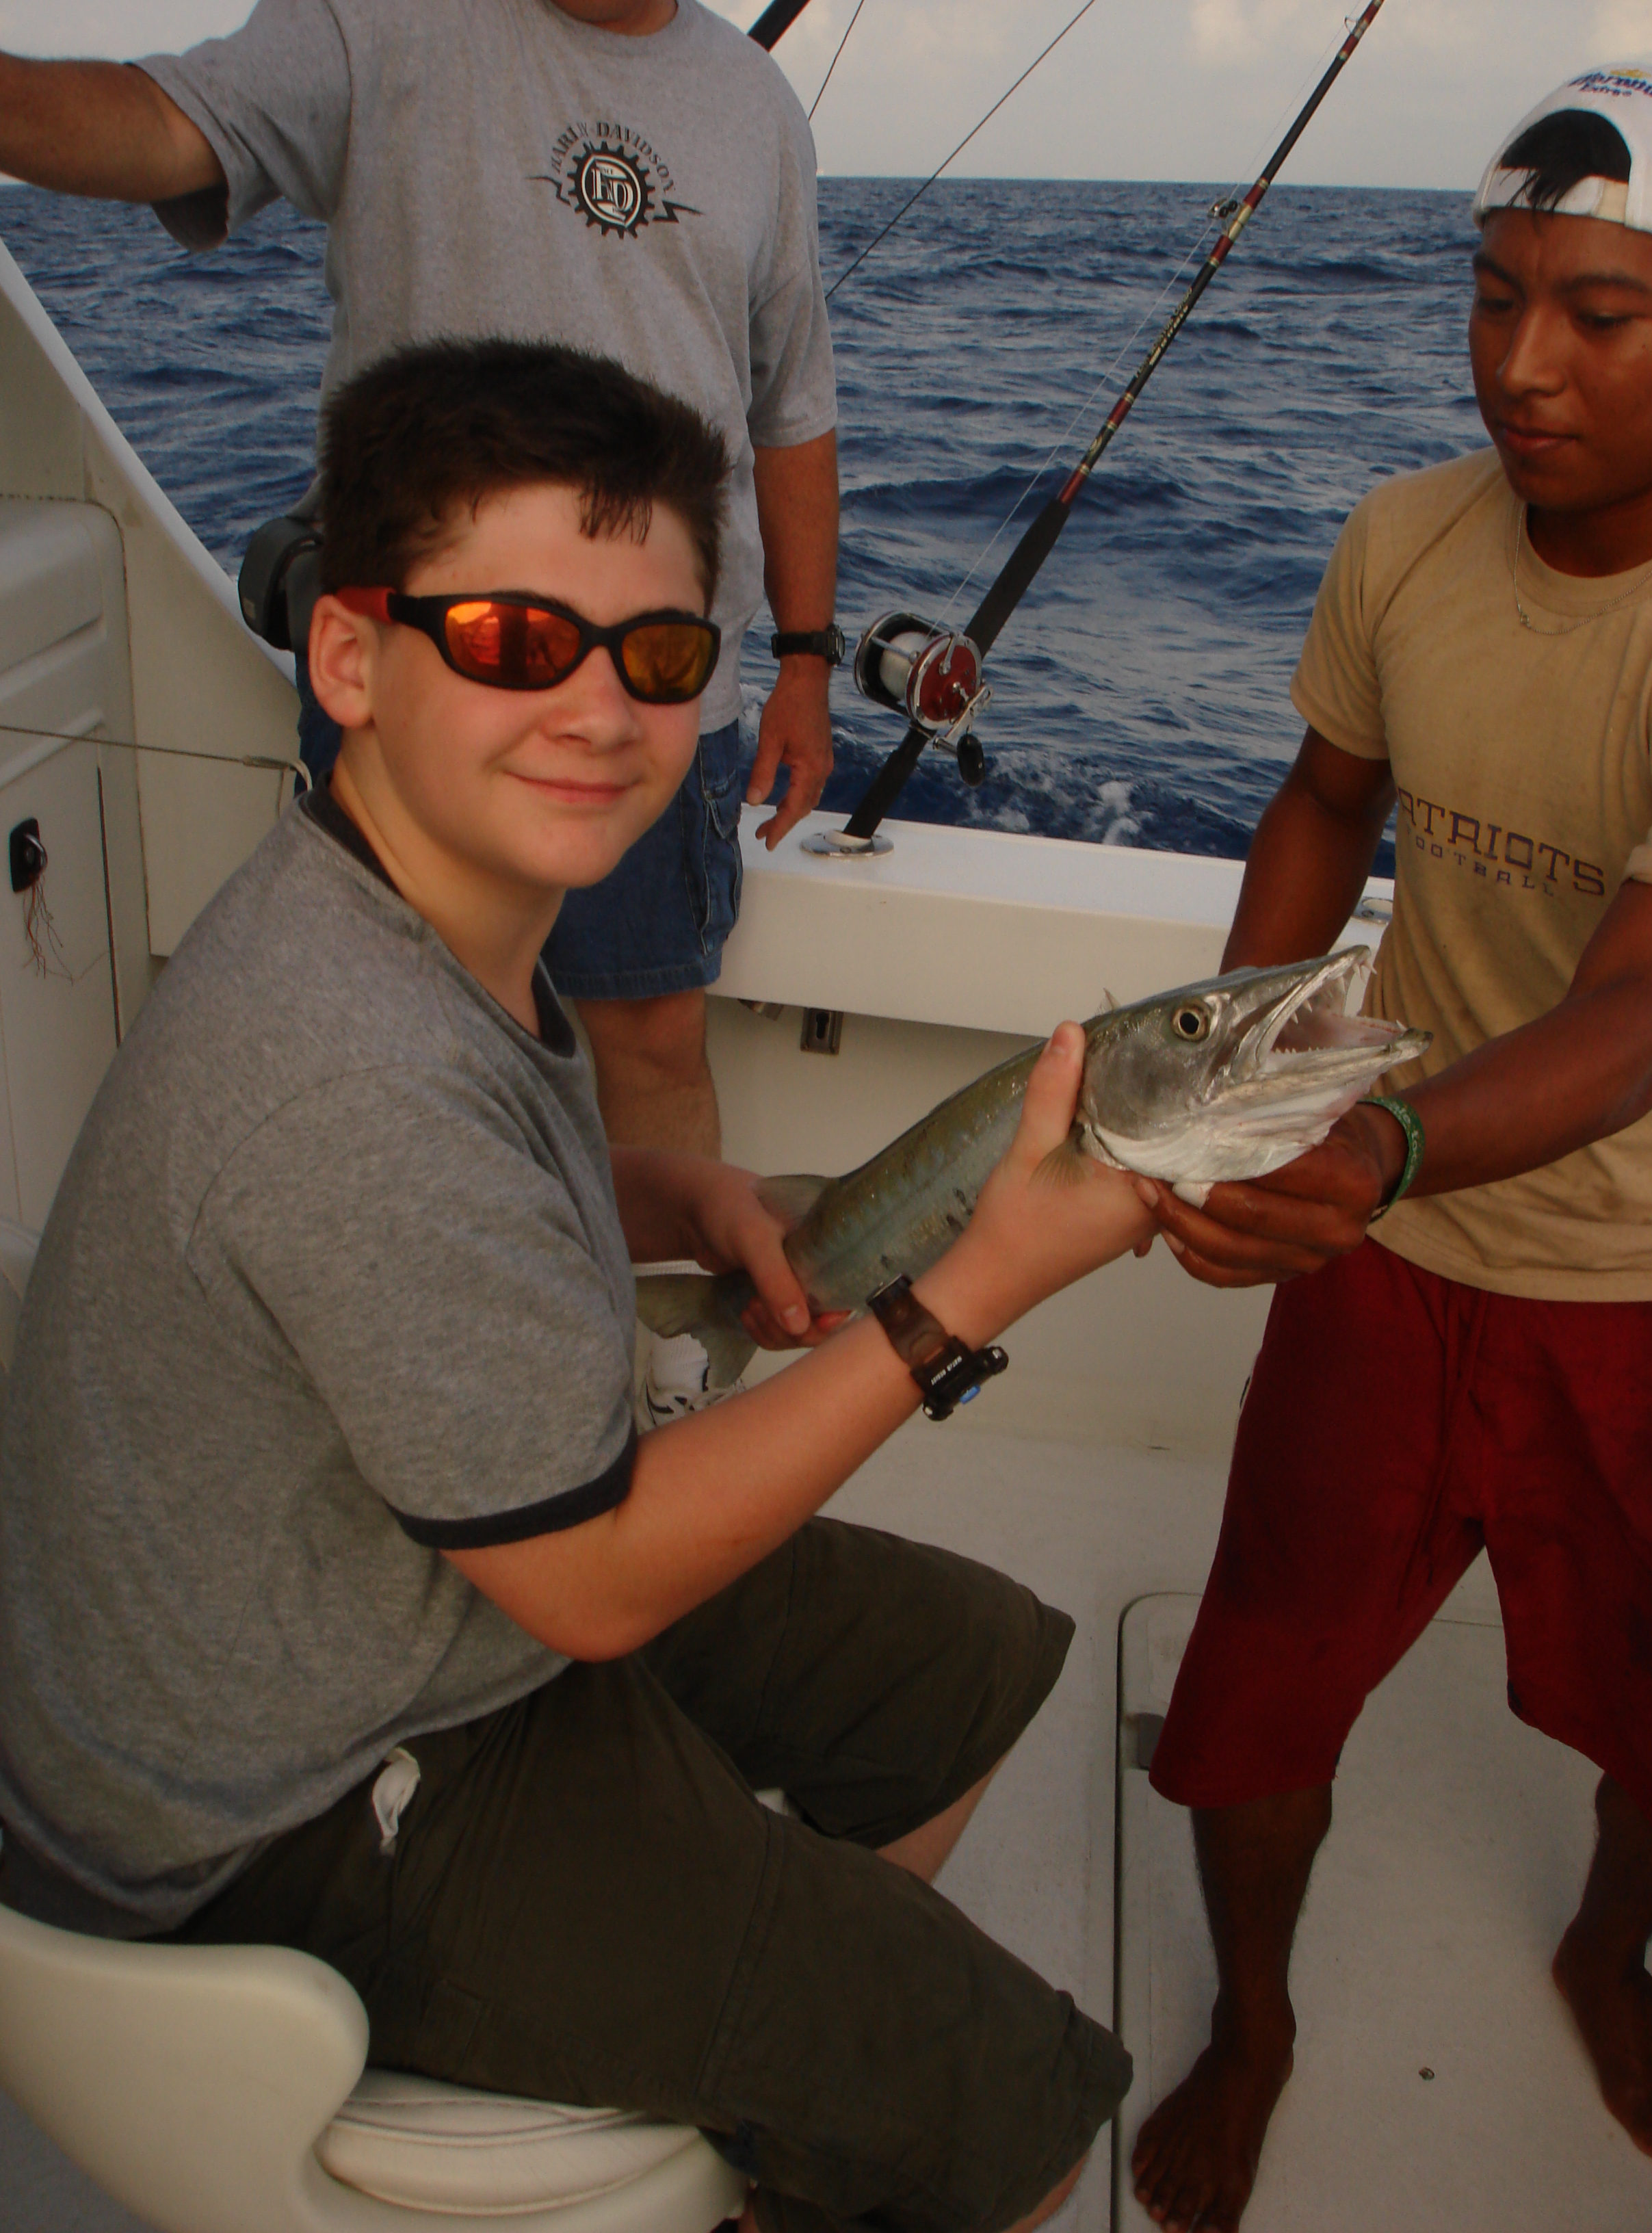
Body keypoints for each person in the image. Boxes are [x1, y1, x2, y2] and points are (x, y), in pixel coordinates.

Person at [0, 337, 1153, 2233]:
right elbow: (597, 1581)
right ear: (350, 657)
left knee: (954, 1671)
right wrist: (974, 1292)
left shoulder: (425, 908)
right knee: (1014, 2121)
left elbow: (449, 1221)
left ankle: (776, 2089)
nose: (601, 709)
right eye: (516, 640)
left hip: (385, 1601)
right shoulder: (345, 1071)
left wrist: (675, 1191)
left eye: (660, 652)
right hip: (265, 1809)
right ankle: (825, 2068)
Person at [1121, 68, 1652, 2233]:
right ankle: (1257, 2022)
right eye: (1495, 294)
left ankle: (1606, 1952)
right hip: (1390, 1240)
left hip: (1637, 1280)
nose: (1523, 363)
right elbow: (1324, 801)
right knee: (1262, 1677)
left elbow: (1641, 1017)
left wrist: (1375, 1146)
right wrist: (1233, 1090)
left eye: (1601, 315)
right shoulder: (1403, 538)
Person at [0, 0, 840, 1175]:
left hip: (654, 685)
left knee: (652, 1037)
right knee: (398, 1033)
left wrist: (805, 659)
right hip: (435, 678)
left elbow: (792, 408)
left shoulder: (756, 106)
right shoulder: (380, 16)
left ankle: (643, 1302)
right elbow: (163, 124)